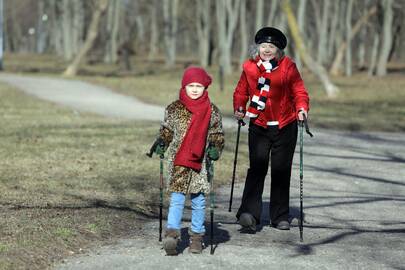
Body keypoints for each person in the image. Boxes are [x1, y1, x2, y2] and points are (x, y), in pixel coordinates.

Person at [233, 27, 310, 232]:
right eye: (264, 46)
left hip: (285, 126)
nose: (267, 49)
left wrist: (302, 108)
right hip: (259, 125)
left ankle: (280, 216)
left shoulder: (288, 67)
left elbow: (299, 91)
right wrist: (240, 108)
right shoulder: (249, 67)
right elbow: (241, 91)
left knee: (281, 171)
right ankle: (249, 213)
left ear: (278, 50)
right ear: (257, 47)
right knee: (257, 169)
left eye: (272, 46)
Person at [154, 66, 225, 255]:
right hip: (178, 161)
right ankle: (172, 235)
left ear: (205, 88)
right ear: (184, 86)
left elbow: (217, 134)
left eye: (199, 86)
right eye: (191, 85)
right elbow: (167, 130)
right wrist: (162, 141)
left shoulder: (212, 111)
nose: (194, 89)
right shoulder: (174, 108)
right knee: (177, 199)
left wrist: (215, 148)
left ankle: (196, 237)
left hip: (201, 164)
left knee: (199, 201)